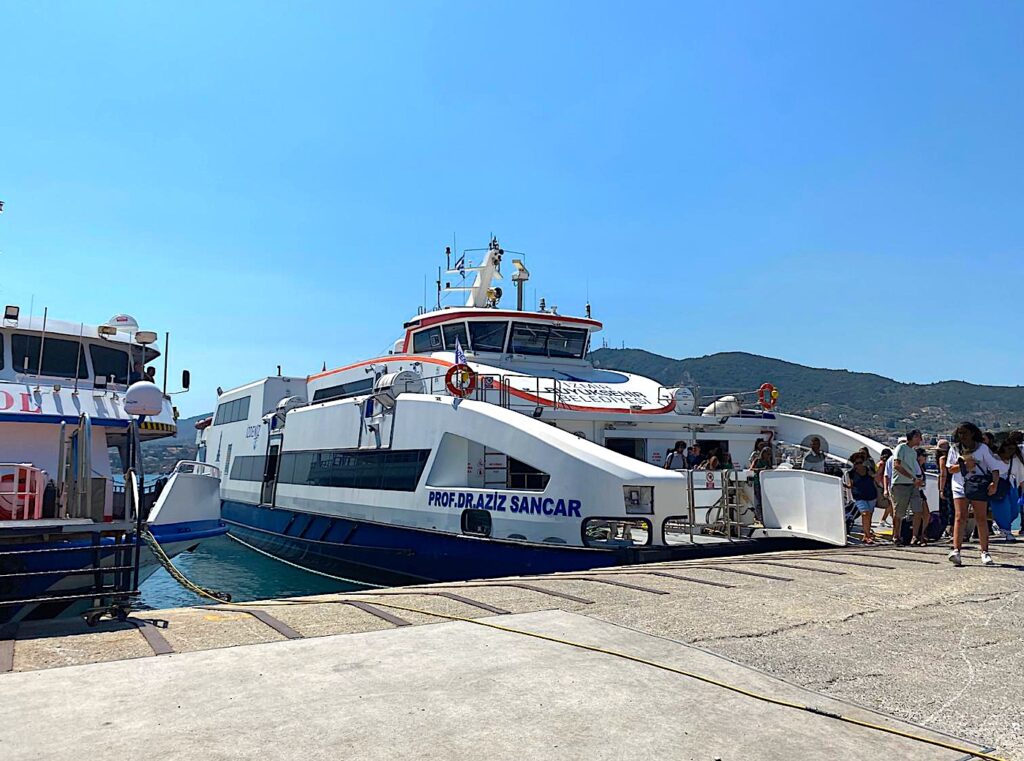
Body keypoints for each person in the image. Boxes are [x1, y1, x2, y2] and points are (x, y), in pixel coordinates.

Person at [947, 421, 1002, 567]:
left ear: (972, 433)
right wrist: (963, 465)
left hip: (978, 485)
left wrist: (994, 483)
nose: (962, 436)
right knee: (960, 517)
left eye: (965, 432)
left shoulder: (982, 448)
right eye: (960, 433)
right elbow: (950, 469)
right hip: (960, 485)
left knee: (981, 518)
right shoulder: (955, 449)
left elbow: (995, 467)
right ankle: (956, 550)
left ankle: (985, 552)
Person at [890, 430, 924, 547]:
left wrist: (917, 479)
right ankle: (896, 535)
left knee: (918, 510)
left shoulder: (913, 452)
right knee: (899, 512)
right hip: (901, 484)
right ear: (914, 437)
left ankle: (914, 536)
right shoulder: (901, 448)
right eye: (919, 437)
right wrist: (912, 478)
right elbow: (897, 465)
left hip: (912, 484)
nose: (921, 440)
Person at [847, 453, 878, 544]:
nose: (858, 465)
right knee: (865, 514)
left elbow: (875, 478)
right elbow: (850, 485)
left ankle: (866, 534)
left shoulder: (869, 470)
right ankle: (867, 535)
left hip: (871, 495)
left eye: (860, 462)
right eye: (856, 463)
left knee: (869, 515)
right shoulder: (851, 473)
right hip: (859, 496)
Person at [911, 448, 931, 545]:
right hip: (917, 492)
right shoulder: (916, 467)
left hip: (921, 492)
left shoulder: (922, 467)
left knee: (926, 514)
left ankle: (922, 534)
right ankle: (918, 535)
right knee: (919, 514)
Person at [936, 439, 954, 538]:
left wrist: (941, 489)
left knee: (945, 509)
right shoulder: (952, 458)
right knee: (953, 508)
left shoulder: (942, 459)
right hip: (954, 483)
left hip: (947, 485)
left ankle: (947, 529)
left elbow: (943, 475)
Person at [876, 448, 894, 528]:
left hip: (883, 486)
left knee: (890, 504)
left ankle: (884, 519)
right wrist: (881, 485)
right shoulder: (882, 464)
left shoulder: (882, 464)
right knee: (890, 504)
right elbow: (877, 476)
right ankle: (884, 519)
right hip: (881, 487)